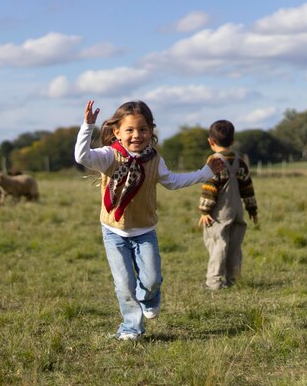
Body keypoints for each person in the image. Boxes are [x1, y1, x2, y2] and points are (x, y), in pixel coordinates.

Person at [74, 100, 224, 341]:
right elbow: (82, 156)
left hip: (144, 230)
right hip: (113, 231)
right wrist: (87, 125)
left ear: (151, 130)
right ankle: (131, 328)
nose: (137, 135)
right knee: (124, 283)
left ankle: (150, 296)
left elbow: (173, 181)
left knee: (152, 279)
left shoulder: (155, 159)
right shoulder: (108, 156)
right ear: (117, 132)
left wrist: (204, 174)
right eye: (130, 130)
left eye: (143, 129)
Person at [198, 119, 258, 290]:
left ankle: (215, 282)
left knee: (218, 245)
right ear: (232, 141)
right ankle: (234, 279)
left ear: (210, 141)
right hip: (238, 211)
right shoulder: (240, 162)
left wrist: (204, 210)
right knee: (235, 247)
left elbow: (210, 187)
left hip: (219, 213)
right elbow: (247, 188)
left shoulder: (214, 162)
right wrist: (252, 209)